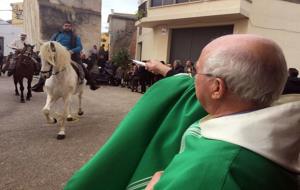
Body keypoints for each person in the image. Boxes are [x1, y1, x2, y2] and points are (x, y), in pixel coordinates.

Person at [64, 34, 299, 190]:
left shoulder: (212, 171)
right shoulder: (269, 131)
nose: (192, 79)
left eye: (197, 72)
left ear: (217, 87)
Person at [32, 21, 99, 92]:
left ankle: (92, 83)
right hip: (58, 56)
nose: (67, 27)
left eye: (69, 26)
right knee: (46, 66)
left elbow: (79, 47)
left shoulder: (76, 36)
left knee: (81, 67)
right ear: (63, 27)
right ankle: (40, 85)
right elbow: (50, 43)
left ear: (71, 27)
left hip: (72, 56)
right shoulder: (57, 35)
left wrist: (71, 51)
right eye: (66, 26)